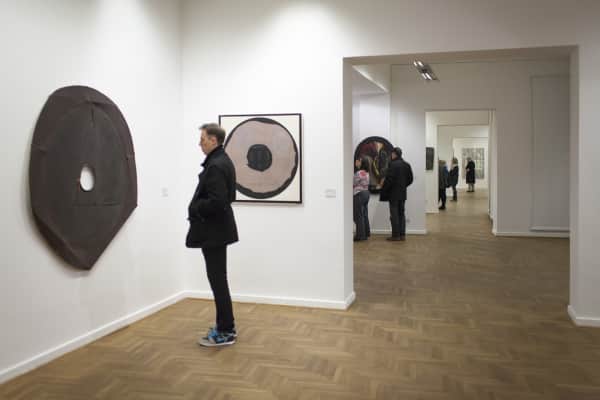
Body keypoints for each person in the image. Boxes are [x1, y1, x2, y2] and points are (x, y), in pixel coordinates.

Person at [186, 123, 238, 347]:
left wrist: (196, 207)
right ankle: (225, 326)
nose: (200, 144)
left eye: (203, 139)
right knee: (219, 279)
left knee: (218, 281)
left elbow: (219, 201)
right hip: (218, 231)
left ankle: (226, 331)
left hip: (214, 232)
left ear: (213, 140)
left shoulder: (216, 165)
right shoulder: (223, 161)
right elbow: (229, 197)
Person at [380, 147, 413, 241]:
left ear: (394, 154)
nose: (391, 155)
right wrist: (403, 186)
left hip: (393, 194)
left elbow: (389, 180)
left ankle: (395, 235)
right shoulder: (407, 165)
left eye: (392, 154)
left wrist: (384, 189)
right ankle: (402, 235)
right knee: (401, 214)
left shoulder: (392, 164)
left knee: (394, 215)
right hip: (402, 194)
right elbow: (410, 179)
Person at [353, 157, 371, 241]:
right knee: (364, 214)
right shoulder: (367, 173)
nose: (357, 162)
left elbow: (353, 183)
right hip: (366, 193)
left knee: (358, 215)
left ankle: (360, 236)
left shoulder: (359, 172)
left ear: (362, 163)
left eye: (359, 161)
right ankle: (366, 233)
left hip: (359, 194)